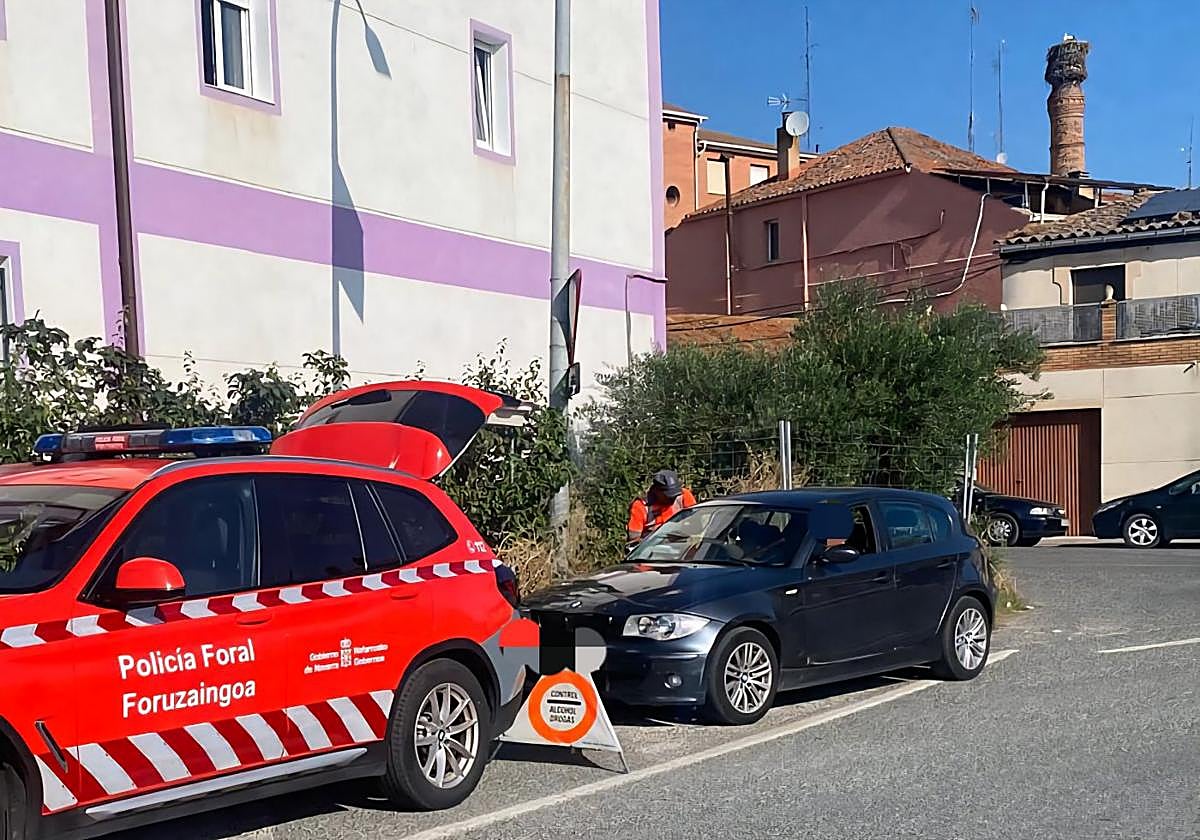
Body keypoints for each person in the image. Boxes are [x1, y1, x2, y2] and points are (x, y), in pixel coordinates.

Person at [626, 469, 696, 545]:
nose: (672, 499)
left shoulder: (684, 495)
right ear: (657, 491)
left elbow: (696, 521)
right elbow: (634, 538)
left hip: (682, 544)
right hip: (653, 547)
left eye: (675, 495)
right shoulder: (641, 506)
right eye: (668, 495)